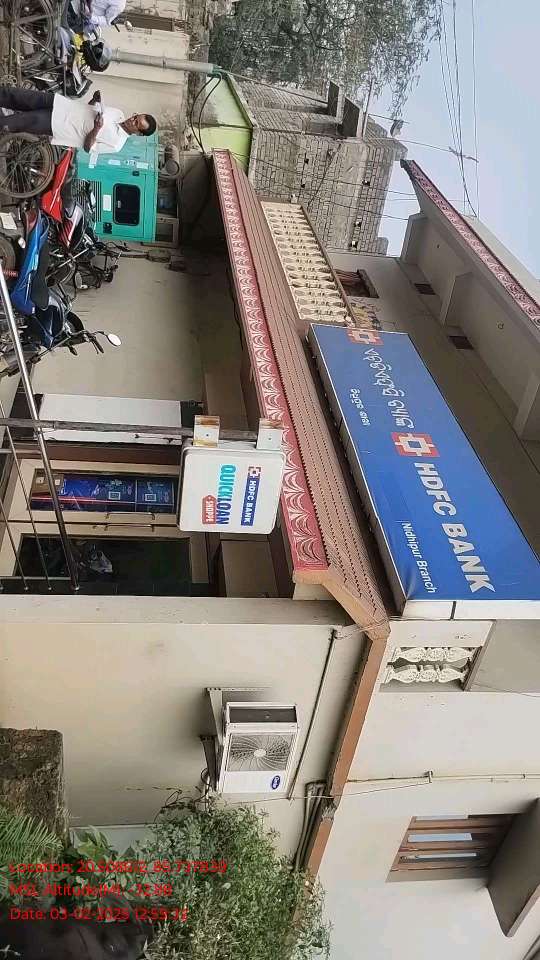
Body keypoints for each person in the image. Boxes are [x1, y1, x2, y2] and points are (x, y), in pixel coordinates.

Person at [0, 86, 156, 155]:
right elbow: (89, 109)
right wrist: (94, 100)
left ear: (138, 133)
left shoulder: (116, 144)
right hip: (61, 104)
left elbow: (88, 148)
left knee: (12, 122)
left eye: (136, 123)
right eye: (136, 116)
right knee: (14, 95)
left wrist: (96, 129)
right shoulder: (118, 113)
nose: (132, 120)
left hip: (57, 124)